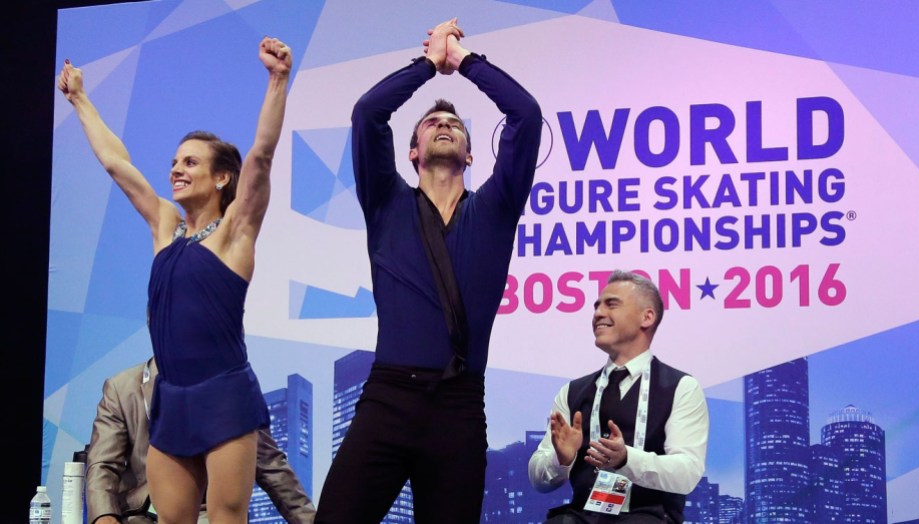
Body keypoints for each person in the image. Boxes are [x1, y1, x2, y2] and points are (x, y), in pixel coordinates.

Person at [314, 18, 542, 524]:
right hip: (388, 398)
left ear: (471, 154)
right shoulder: (386, 201)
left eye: (456, 126)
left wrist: (462, 62)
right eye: (431, 125)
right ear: (412, 152)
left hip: (458, 408)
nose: (445, 126)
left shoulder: (496, 208)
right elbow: (369, 113)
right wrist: (427, 66)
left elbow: (525, 114)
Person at [57, 36, 292, 524]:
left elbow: (263, 156)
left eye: (190, 162)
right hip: (172, 400)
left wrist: (277, 79)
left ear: (223, 177)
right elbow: (117, 164)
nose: (175, 170)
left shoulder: (234, 233)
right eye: (174, 162)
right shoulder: (165, 226)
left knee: (227, 520)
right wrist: (80, 99)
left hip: (224, 395)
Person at [528, 271, 709, 523]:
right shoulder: (572, 392)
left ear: (647, 317)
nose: (598, 313)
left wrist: (626, 459)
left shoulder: (681, 388)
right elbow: (539, 480)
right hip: (583, 516)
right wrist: (561, 460)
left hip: (649, 516)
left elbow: (687, 473)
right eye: (597, 306)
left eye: (611, 304)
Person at [85, 359, 317, 524]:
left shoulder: (235, 388)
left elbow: (270, 464)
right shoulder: (121, 388)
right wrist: (105, 517)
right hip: (140, 514)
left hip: (208, 512)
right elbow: (102, 465)